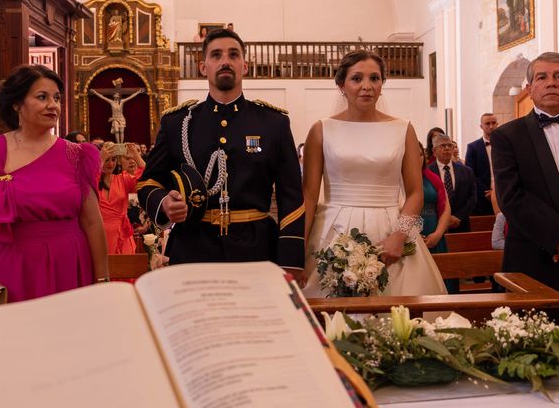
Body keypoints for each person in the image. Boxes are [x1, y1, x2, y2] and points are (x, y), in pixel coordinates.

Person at [137, 28, 305, 281]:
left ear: (244, 66)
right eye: (216, 55)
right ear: (203, 67)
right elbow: (148, 182)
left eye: (233, 55)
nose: (225, 61)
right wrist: (165, 203)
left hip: (256, 251)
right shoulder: (177, 122)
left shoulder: (273, 123)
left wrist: (291, 260)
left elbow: (291, 195)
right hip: (192, 250)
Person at [302, 50, 446, 297]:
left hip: (390, 228)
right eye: (357, 79)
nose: (367, 86)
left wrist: (400, 236)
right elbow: (309, 197)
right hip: (333, 231)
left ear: (382, 84)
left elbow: (414, 193)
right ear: (341, 85)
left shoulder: (403, 129)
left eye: (375, 79)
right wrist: (298, 249)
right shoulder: (321, 130)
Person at [0, 65, 108, 302]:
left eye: (56, 98)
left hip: (68, 262)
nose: (53, 105)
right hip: (10, 264)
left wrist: (103, 280)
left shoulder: (77, 155)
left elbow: (92, 222)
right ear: (17, 104)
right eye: (42, 97)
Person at [491, 52, 559, 316]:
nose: (551, 82)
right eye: (542, 77)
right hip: (533, 264)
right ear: (529, 89)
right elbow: (511, 197)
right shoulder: (507, 137)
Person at [99, 141, 145, 254]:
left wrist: (136, 156)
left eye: (113, 159)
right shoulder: (92, 181)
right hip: (99, 234)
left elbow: (147, 178)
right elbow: (86, 181)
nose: (110, 164)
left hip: (122, 235)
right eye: (107, 160)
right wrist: (99, 160)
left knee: (126, 269)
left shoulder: (123, 179)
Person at [428, 134, 476, 233]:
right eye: (443, 146)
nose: (447, 148)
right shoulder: (427, 172)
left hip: (460, 223)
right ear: (434, 151)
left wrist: (457, 217)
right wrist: (445, 218)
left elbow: (472, 197)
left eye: (450, 145)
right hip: (435, 225)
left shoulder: (466, 171)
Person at [419, 142, 451, 254]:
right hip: (409, 233)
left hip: (433, 229)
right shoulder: (397, 180)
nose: (418, 158)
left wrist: (438, 234)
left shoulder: (433, 178)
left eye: (420, 154)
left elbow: (446, 209)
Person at [465, 113, 498, 215]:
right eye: (487, 123)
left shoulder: (505, 145)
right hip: (482, 198)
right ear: (481, 126)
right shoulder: (473, 147)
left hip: (503, 195)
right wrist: (487, 192)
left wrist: (497, 192)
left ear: (497, 124)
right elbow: (470, 174)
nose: (491, 126)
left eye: (493, 123)